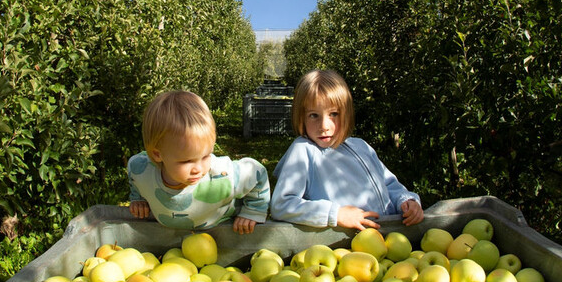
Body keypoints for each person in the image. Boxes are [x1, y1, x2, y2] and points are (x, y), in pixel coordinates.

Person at [270, 70, 425, 230]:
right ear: (301, 117)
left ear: (346, 114)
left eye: (334, 114)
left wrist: (406, 201)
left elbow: (389, 184)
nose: (324, 126)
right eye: (314, 115)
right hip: (349, 244)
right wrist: (335, 214)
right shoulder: (303, 151)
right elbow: (282, 204)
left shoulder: (360, 146)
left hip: (390, 235)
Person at [127, 90, 270, 234]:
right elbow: (135, 176)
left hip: (221, 229)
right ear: (158, 154)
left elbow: (257, 173)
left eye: (206, 155)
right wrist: (138, 199)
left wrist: (252, 211)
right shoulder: (142, 170)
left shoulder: (221, 175)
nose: (199, 168)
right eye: (187, 161)